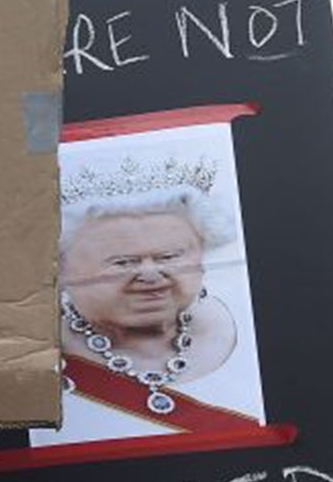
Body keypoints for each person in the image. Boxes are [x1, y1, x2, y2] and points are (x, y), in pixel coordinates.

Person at [51, 149, 255, 442]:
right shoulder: (27, 354)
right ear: (63, 268)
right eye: (123, 262)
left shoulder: (253, 321)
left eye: (168, 256)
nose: (150, 274)